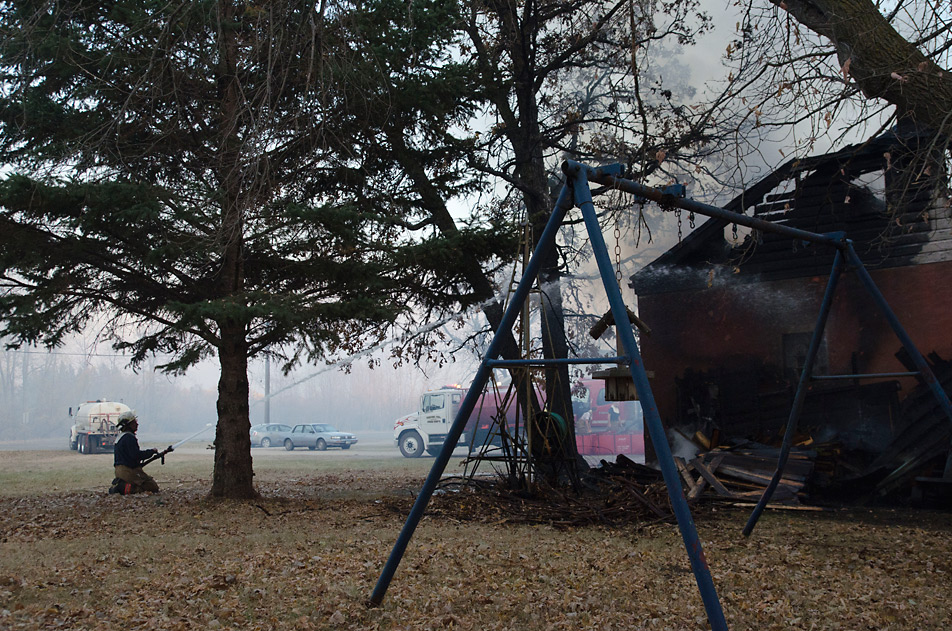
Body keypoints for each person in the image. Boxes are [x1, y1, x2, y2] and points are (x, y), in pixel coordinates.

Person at [109, 410, 163, 494]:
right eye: (134, 422)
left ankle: (123, 485)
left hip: (120, 471)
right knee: (152, 486)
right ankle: (122, 488)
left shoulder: (121, 437)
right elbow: (136, 455)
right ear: (128, 425)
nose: (137, 424)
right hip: (128, 471)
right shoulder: (129, 438)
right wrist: (151, 451)